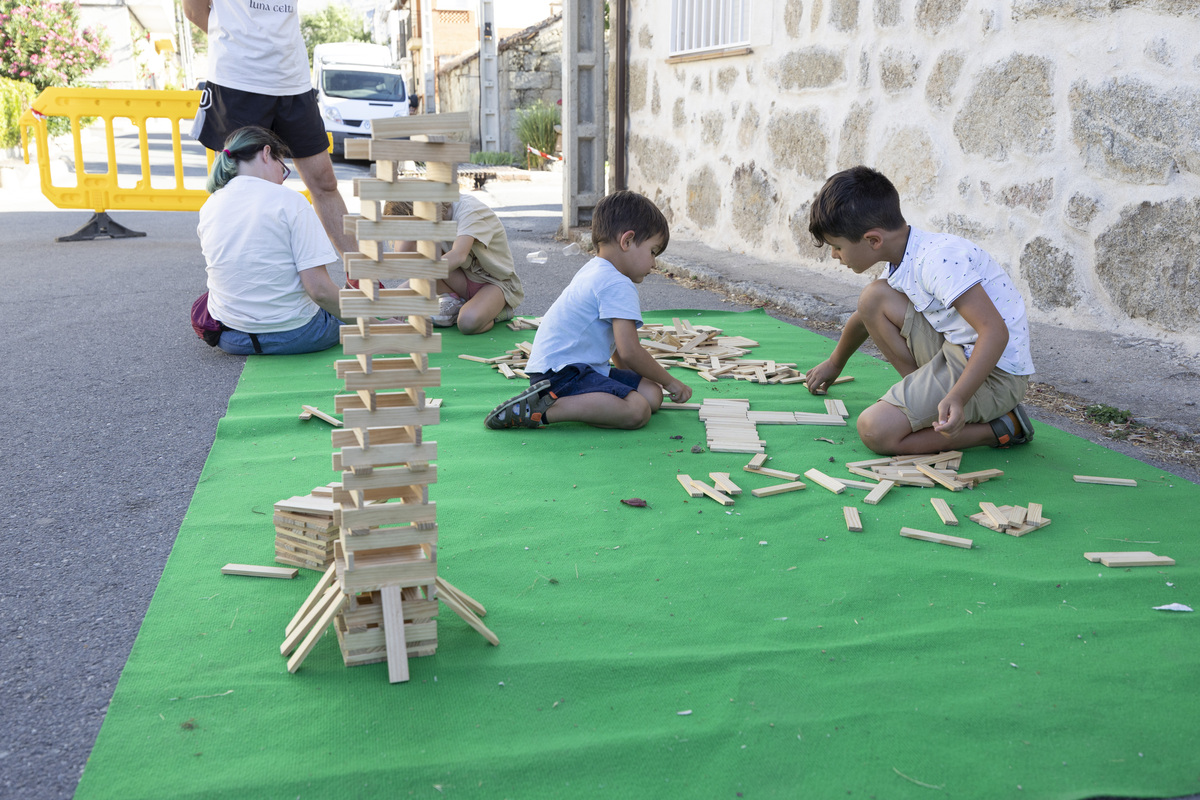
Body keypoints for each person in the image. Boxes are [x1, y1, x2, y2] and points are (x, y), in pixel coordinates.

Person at [804, 165, 1036, 455]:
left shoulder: (937, 261)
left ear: (873, 240)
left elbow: (995, 332)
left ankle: (1003, 427)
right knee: (873, 298)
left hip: (996, 376)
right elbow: (864, 316)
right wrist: (835, 363)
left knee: (875, 431)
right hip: (957, 350)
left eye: (837, 247)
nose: (834, 255)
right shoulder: (907, 253)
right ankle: (922, 405)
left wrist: (958, 397)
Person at [484, 190, 693, 430]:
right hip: (563, 375)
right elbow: (629, 352)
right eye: (653, 252)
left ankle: (561, 403)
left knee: (651, 395)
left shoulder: (597, 269)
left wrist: (632, 384)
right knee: (638, 411)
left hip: (567, 370)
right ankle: (542, 411)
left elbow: (615, 346)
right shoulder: (618, 284)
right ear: (627, 241)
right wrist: (671, 382)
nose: (654, 263)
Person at [183, 0, 357, 255]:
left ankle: (362, 278)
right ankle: (234, 281)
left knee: (324, 182)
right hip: (238, 80)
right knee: (237, 190)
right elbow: (193, 10)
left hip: (292, 80)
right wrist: (242, 41)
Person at [198, 126, 346, 356]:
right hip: (298, 334)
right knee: (349, 318)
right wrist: (371, 324)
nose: (282, 178)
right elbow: (319, 290)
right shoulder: (290, 201)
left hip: (232, 337)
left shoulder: (210, 205)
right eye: (283, 168)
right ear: (267, 153)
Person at [384, 196, 524, 334]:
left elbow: (458, 256)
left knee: (467, 323)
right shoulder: (434, 218)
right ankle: (454, 301)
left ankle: (498, 311)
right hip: (461, 279)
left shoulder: (469, 211)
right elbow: (403, 251)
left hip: (494, 284)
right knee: (407, 249)